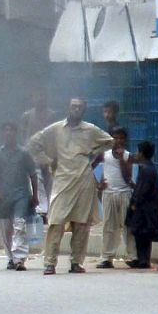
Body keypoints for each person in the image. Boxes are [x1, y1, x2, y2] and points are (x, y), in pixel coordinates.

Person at [28, 98, 112, 275]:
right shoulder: (56, 129)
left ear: (83, 110)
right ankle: (50, 263)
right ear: (68, 108)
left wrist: (92, 154)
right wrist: (48, 160)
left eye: (80, 107)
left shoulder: (90, 130)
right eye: (73, 106)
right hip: (62, 180)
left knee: (81, 223)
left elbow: (109, 142)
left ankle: (76, 262)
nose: (76, 109)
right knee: (56, 221)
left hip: (84, 180)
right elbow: (34, 143)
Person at [0, 121, 38, 270]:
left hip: (21, 195)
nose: (8, 133)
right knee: (5, 228)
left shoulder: (24, 153)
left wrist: (35, 196)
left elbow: (33, 175)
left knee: (19, 224)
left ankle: (20, 259)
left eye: (11, 130)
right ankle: (11, 257)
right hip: (3, 197)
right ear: (2, 134)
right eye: (6, 130)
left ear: (16, 133)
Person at [93, 127, 133, 268]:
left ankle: (133, 256)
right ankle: (107, 258)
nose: (119, 141)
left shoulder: (128, 156)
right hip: (108, 194)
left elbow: (127, 177)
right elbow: (89, 166)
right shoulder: (104, 154)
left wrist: (121, 158)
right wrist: (98, 184)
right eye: (116, 138)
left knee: (128, 226)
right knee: (109, 226)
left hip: (124, 193)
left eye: (121, 138)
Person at [125, 141, 158, 269]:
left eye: (138, 151)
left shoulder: (145, 169)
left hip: (144, 208)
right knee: (142, 233)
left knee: (141, 233)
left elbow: (143, 189)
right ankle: (142, 259)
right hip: (148, 207)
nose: (136, 154)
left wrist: (135, 203)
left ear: (142, 153)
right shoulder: (149, 167)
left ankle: (143, 260)